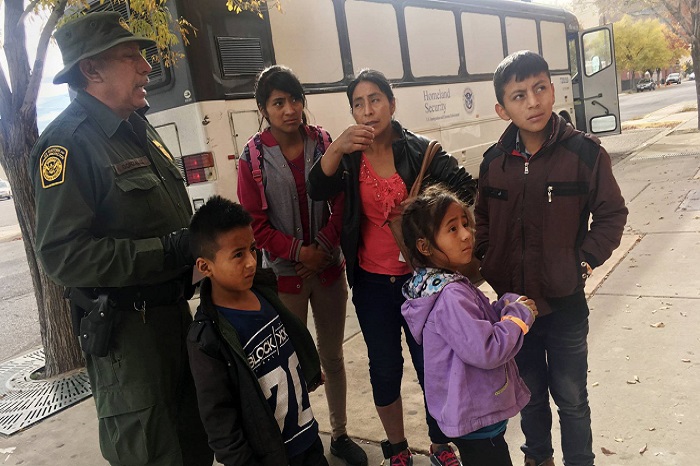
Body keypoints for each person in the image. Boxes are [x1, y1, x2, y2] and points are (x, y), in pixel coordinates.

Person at [28, 12, 212, 466]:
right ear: (92, 69)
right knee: (154, 454)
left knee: (195, 445)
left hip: (174, 318)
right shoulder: (67, 145)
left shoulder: (136, 128)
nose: (147, 67)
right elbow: (63, 256)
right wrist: (165, 251)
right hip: (130, 340)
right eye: (131, 57)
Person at [308, 69, 478, 466]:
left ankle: (441, 445)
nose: (368, 110)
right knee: (384, 368)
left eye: (375, 100)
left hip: (422, 284)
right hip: (371, 283)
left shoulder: (418, 150)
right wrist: (336, 148)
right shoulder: (349, 156)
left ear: (392, 103)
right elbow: (317, 188)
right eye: (358, 104)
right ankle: (397, 448)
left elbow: (467, 188)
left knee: (432, 365)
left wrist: (425, 207)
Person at [475, 50, 628, 466]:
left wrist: (584, 261)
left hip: (565, 306)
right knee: (529, 397)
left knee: (572, 399)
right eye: (519, 95)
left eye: (540, 88)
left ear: (552, 89)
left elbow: (612, 214)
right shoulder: (493, 163)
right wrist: (489, 259)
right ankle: (537, 456)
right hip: (515, 312)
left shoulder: (584, 153)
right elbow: (482, 220)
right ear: (502, 109)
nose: (533, 102)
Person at [237, 65, 367, 466]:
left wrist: (323, 248)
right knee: (287, 363)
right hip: (285, 280)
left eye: (295, 99)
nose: (290, 109)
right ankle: (300, 443)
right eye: (279, 103)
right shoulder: (252, 157)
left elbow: (343, 201)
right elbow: (255, 225)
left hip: (328, 270)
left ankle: (340, 434)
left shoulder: (324, 143)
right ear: (263, 109)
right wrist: (299, 253)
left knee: (332, 356)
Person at [400, 184, 536, 466]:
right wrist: (519, 318)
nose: (466, 234)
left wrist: (506, 305)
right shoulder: (450, 295)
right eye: (452, 229)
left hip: (471, 410)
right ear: (424, 246)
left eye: (465, 223)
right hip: (478, 415)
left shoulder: (440, 284)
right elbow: (486, 349)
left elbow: (476, 323)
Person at [187, 196, 328, 466]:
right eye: (238, 255)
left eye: (252, 249)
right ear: (205, 267)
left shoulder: (264, 293)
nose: (251, 262)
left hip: (308, 437)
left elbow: (289, 339)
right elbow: (221, 423)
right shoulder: (207, 339)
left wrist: (308, 367)